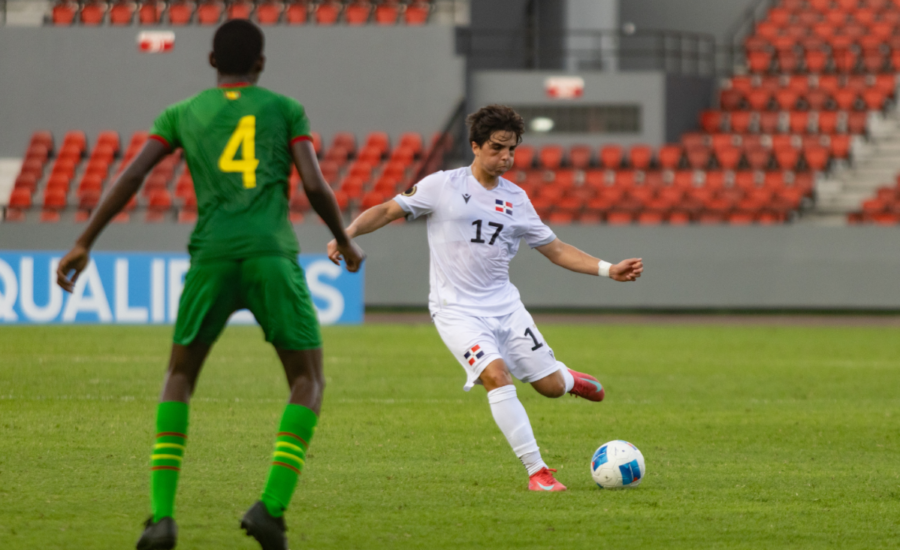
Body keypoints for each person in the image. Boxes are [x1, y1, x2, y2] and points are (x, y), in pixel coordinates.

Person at [56, 20, 364, 550]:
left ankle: (161, 518)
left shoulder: (181, 113)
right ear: (261, 62)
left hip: (212, 256)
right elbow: (314, 183)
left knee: (179, 375)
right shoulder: (284, 108)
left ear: (210, 61)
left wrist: (85, 241)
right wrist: (346, 240)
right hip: (271, 255)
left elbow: (131, 176)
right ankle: (270, 507)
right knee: (308, 380)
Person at [327, 105, 643, 491]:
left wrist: (608, 269)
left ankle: (565, 378)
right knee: (496, 375)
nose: (505, 157)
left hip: (506, 309)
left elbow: (555, 249)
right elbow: (388, 209)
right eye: (497, 148)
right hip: (456, 311)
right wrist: (349, 235)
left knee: (547, 386)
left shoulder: (517, 199)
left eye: (511, 150)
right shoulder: (441, 185)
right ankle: (537, 471)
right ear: (476, 146)